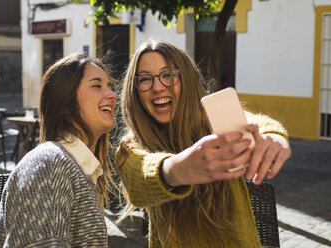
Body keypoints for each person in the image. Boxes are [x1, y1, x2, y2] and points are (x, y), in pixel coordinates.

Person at [116, 41, 292, 248]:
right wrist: (177, 169)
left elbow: (256, 123)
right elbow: (138, 182)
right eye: (145, 79)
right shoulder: (131, 147)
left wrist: (273, 137)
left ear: (187, 79)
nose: (157, 87)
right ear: (134, 91)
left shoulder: (214, 120)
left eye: (168, 75)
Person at [0, 53, 117, 247]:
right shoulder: (51, 165)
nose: (112, 95)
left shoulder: (77, 167)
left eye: (110, 86)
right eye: (97, 85)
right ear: (66, 105)